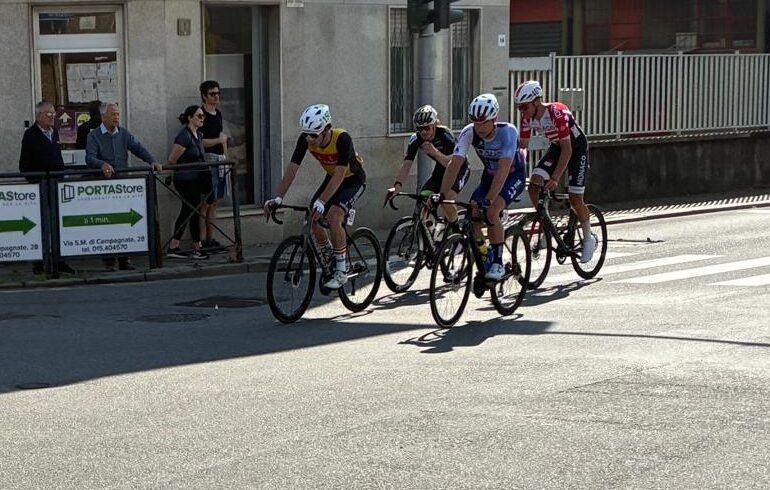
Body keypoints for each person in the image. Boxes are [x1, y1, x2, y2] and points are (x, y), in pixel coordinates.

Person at [264, 104, 366, 290]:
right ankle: (330, 258)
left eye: (314, 135)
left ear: (327, 130)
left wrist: (322, 201)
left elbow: (340, 174)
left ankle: (341, 271)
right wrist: (277, 198)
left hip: (352, 180)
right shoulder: (306, 139)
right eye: (306, 134)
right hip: (332, 178)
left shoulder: (342, 138)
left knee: (334, 216)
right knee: (313, 219)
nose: (309, 139)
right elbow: (292, 170)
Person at [435, 93, 527, 281]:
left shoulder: (507, 132)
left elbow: (503, 168)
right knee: (473, 215)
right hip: (489, 176)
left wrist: (490, 199)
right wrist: (442, 195)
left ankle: (498, 264)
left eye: (484, 123)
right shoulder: (469, 132)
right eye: (476, 123)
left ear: (494, 119)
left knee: (491, 211)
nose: (480, 127)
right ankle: (485, 256)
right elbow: (455, 164)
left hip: (511, 175)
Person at [515, 80, 596, 262]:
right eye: (519, 108)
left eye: (524, 106)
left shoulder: (556, 112)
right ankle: (547, 227)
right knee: (534, 185)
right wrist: (516, 173)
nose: (522, 111)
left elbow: (568, 150)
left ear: (536, 102)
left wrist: (555, 178)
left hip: (576, 149)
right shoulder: (527, 118)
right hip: (556, 147)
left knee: (575, 199)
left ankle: (589, 239)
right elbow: (523, 147)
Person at [85, 102, 162, 271]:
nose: (116, 117)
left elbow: (138, 148)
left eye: (118, 114)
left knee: (125, 222)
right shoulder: (94, 135)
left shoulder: (124, 133)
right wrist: (102, 164)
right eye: (113, 114)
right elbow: (89, 157)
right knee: (108, 223)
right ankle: (109, 260)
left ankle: (125, 259)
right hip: (104, 188)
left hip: (123, 187)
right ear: (103, 116)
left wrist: (152, 161)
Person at [386, 104, 469, 231]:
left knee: (446, 200)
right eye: (420, 128)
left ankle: (457, 231)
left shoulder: (445, 135)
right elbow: (407, 164)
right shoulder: (416, 139)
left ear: (435, 125)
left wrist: (435, 152)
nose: (423, 132)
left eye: (426, 128)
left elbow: (451, 163)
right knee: (423, 198)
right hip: (440, 171)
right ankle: (428, 236)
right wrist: (397, 186)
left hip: (458, 169)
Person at [18, 100, 75, 275]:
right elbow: (24, 165)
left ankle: (60, 260)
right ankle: (39, 262)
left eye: (53, 113)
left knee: (58, 225)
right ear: (38, 116)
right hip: (41, 187)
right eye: (48, 113)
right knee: (42, 226)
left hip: (57, 186)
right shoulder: (31, 135)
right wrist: (37, 182)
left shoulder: (54, 132)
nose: (52, 117)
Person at [165, 105, 211, 260]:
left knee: (189, 211)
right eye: (199, 115)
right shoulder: (184, 136)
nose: (202, 118)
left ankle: (175, 245)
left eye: (203, 115)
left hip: (196, 180)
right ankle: (196, 246)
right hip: (185, 180)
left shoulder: (198, 135)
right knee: (192, 211)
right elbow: (172, 159)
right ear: (190, 118)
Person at [198, 80, 229, 252]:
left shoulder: (218, 113)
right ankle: (201, 241)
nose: (216, 96)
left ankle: (211, 239)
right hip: (208, 160)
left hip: (220, 159)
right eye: (212, 94)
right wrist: (219, 141)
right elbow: (199, 141)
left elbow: (222, 136)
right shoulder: (200, 114)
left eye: (218, 93)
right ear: (204, 96)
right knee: (205, 202)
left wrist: (226, 157)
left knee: (215, 201)